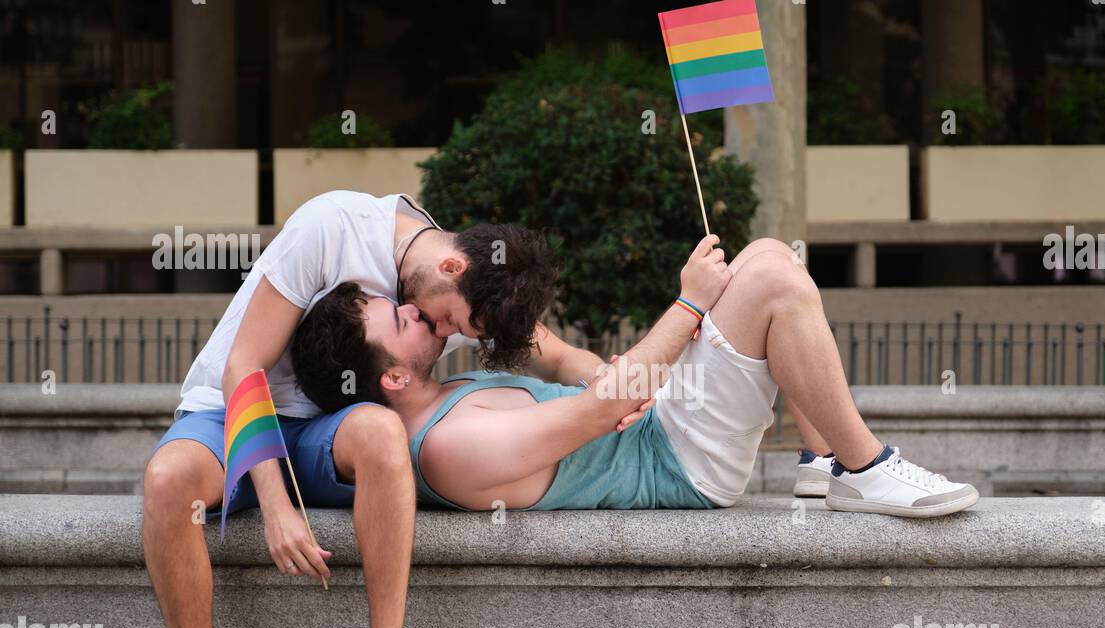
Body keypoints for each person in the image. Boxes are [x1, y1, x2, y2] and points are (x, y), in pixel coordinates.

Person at [137, 190, 608, 628]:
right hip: (232, 409)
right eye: (450, 322)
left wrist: (615, 383)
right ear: (451, 267)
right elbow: (244, 366)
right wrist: (277, 507)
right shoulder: (333, 227)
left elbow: (559, 357)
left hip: (324, 430)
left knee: (385, 431)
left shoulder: (466, 291)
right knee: (166, 478)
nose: (442, 335)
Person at [292, 235, 978, 518]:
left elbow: (564, 359)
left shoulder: (449, 387)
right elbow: (591, 414)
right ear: (387, 380)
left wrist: (613, 381)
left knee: (767, 253)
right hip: (682, 463)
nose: (416, 310)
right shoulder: (448, 447)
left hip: (660, 418)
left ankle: (820, 458)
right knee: (768, 274)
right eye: (402, 320)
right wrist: (685, 307)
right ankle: (865, 464)